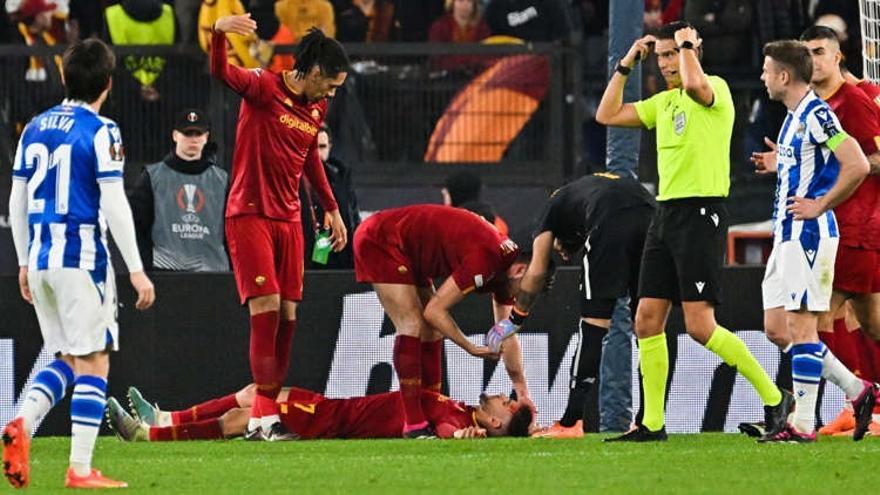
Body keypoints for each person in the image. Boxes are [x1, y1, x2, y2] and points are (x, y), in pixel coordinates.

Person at [591, 21, 792, 442]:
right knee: (646, 320)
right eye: (662, 55)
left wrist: (686, 47)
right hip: (665, 215)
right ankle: (653, 424)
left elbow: (697, 86)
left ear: (694, 49)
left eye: (675, 52)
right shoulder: (662, 104)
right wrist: (626, 64)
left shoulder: (713, 90)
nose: (667, 63)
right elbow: (606, 114)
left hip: (702, 213)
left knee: (700, 325)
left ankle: (775, 399)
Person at [2, 38, 155, 489]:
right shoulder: (102, 129)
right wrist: (136, 268)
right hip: (82, 258)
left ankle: (21, 425)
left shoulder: (33, 127)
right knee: (95, 362)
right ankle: (81, 470)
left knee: (69, 357)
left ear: (64, 77)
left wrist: (24, 261)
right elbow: (113, 201)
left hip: (43, 259)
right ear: (108, 83)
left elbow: (17, 200)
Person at [210, 14, 348, 441]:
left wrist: (331, 207)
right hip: (249, 213)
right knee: (266, 309)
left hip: (290, 218)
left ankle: (261, 417)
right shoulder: (264, 87)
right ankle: (264, 418)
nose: (332, 93)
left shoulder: (315, 107)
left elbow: (309, 158)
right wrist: (218, 33)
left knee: (288, 315)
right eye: (331, 84)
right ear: (317, 73)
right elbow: (221, 71)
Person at [752, 40, 877, 443]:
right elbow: (809, 166)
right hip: (784, 233)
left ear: (784, 76)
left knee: (804, 329)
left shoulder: (817, 114)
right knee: (777, 328)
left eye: (768, 70)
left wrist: (821, 204)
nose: (763, 77)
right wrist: (780, 163)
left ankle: (803, 424)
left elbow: (856, 162)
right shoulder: (794, 116)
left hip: (808, 233)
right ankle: (858, 391)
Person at [487, 172, 655, 439]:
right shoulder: (590, 187)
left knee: (593, 326)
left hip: (609, 220)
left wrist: (514, 320)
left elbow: (536, 271)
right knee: (648, 326)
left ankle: (570, 422)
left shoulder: (551, 208)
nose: (563, 252)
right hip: (651, 212)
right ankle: (650, 419)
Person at [353, 204, 540, 438]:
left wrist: (522, 393)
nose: (523, 299)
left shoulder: (505, 268)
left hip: (412, 251)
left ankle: (430, 410)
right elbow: (434, 310)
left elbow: (506, 335)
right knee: (413, 324)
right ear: (520, 271)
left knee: (432, 331)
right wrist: (469, 346)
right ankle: (414, 425)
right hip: (382, 238)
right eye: (528, 293)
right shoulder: (487, 258)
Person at [106, 384, 533, 441]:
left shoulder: (456, 421)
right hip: (336, 408)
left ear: (494, 422)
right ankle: (164, 420)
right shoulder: (460, 406)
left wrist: (461, 439)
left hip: (333, 420)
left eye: (507, 404)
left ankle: (152, 431)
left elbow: (443, 432)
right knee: (255, 393)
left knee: (256, 402)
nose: (502, 396)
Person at [129, 108, 230, 272]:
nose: (193, 139)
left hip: (214, 274)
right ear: (175, 135)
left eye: (198, 134)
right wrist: (145, 268)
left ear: (206, 137)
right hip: (165, 273)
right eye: (187, 134)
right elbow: (137, 228)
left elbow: (233, 232)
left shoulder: (222, 180)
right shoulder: (152, 176)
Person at [300, 125, 360, 269]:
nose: (317, 154)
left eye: (322, 147)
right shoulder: (294, 178)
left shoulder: (341, 175)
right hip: (303, 258)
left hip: (335, 258)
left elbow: (353, 216)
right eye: (312, 148)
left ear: (329, 147)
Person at [428, 0, 491, 71]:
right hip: (447, 77)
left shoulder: (482, 27)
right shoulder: (440, 26)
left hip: (477, 75)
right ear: (452, 4)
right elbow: (437, 58)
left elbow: (486, 56)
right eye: (460, 1)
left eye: (469, 1)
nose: (465, 5)